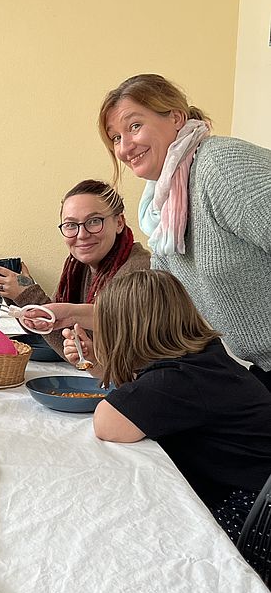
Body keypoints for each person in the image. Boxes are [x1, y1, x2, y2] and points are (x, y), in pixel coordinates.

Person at [63, 270, 271, 545]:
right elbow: (140, 394)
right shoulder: (202, 356)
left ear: (126, 333)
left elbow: (108, 423)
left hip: (251, 517)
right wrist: (99, 365)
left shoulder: (178, 380)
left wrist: (106, 358)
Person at [98, 73, 271, 390]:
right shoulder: (162, 203)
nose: (124, 147)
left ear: (176, 117)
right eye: (116, 137)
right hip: (259, 370)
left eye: (134, 126)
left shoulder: (220, 165)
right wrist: (80, 318)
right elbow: (157, 301)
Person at [0, 180, 149, 359]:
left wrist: (27, 295)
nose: (82, 234)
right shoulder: (76, 268)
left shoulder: (139, 273)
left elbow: (89, 355)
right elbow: (66, 341)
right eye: (71, 225)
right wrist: (21, 299)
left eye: (94, 221)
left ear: (119, 222)